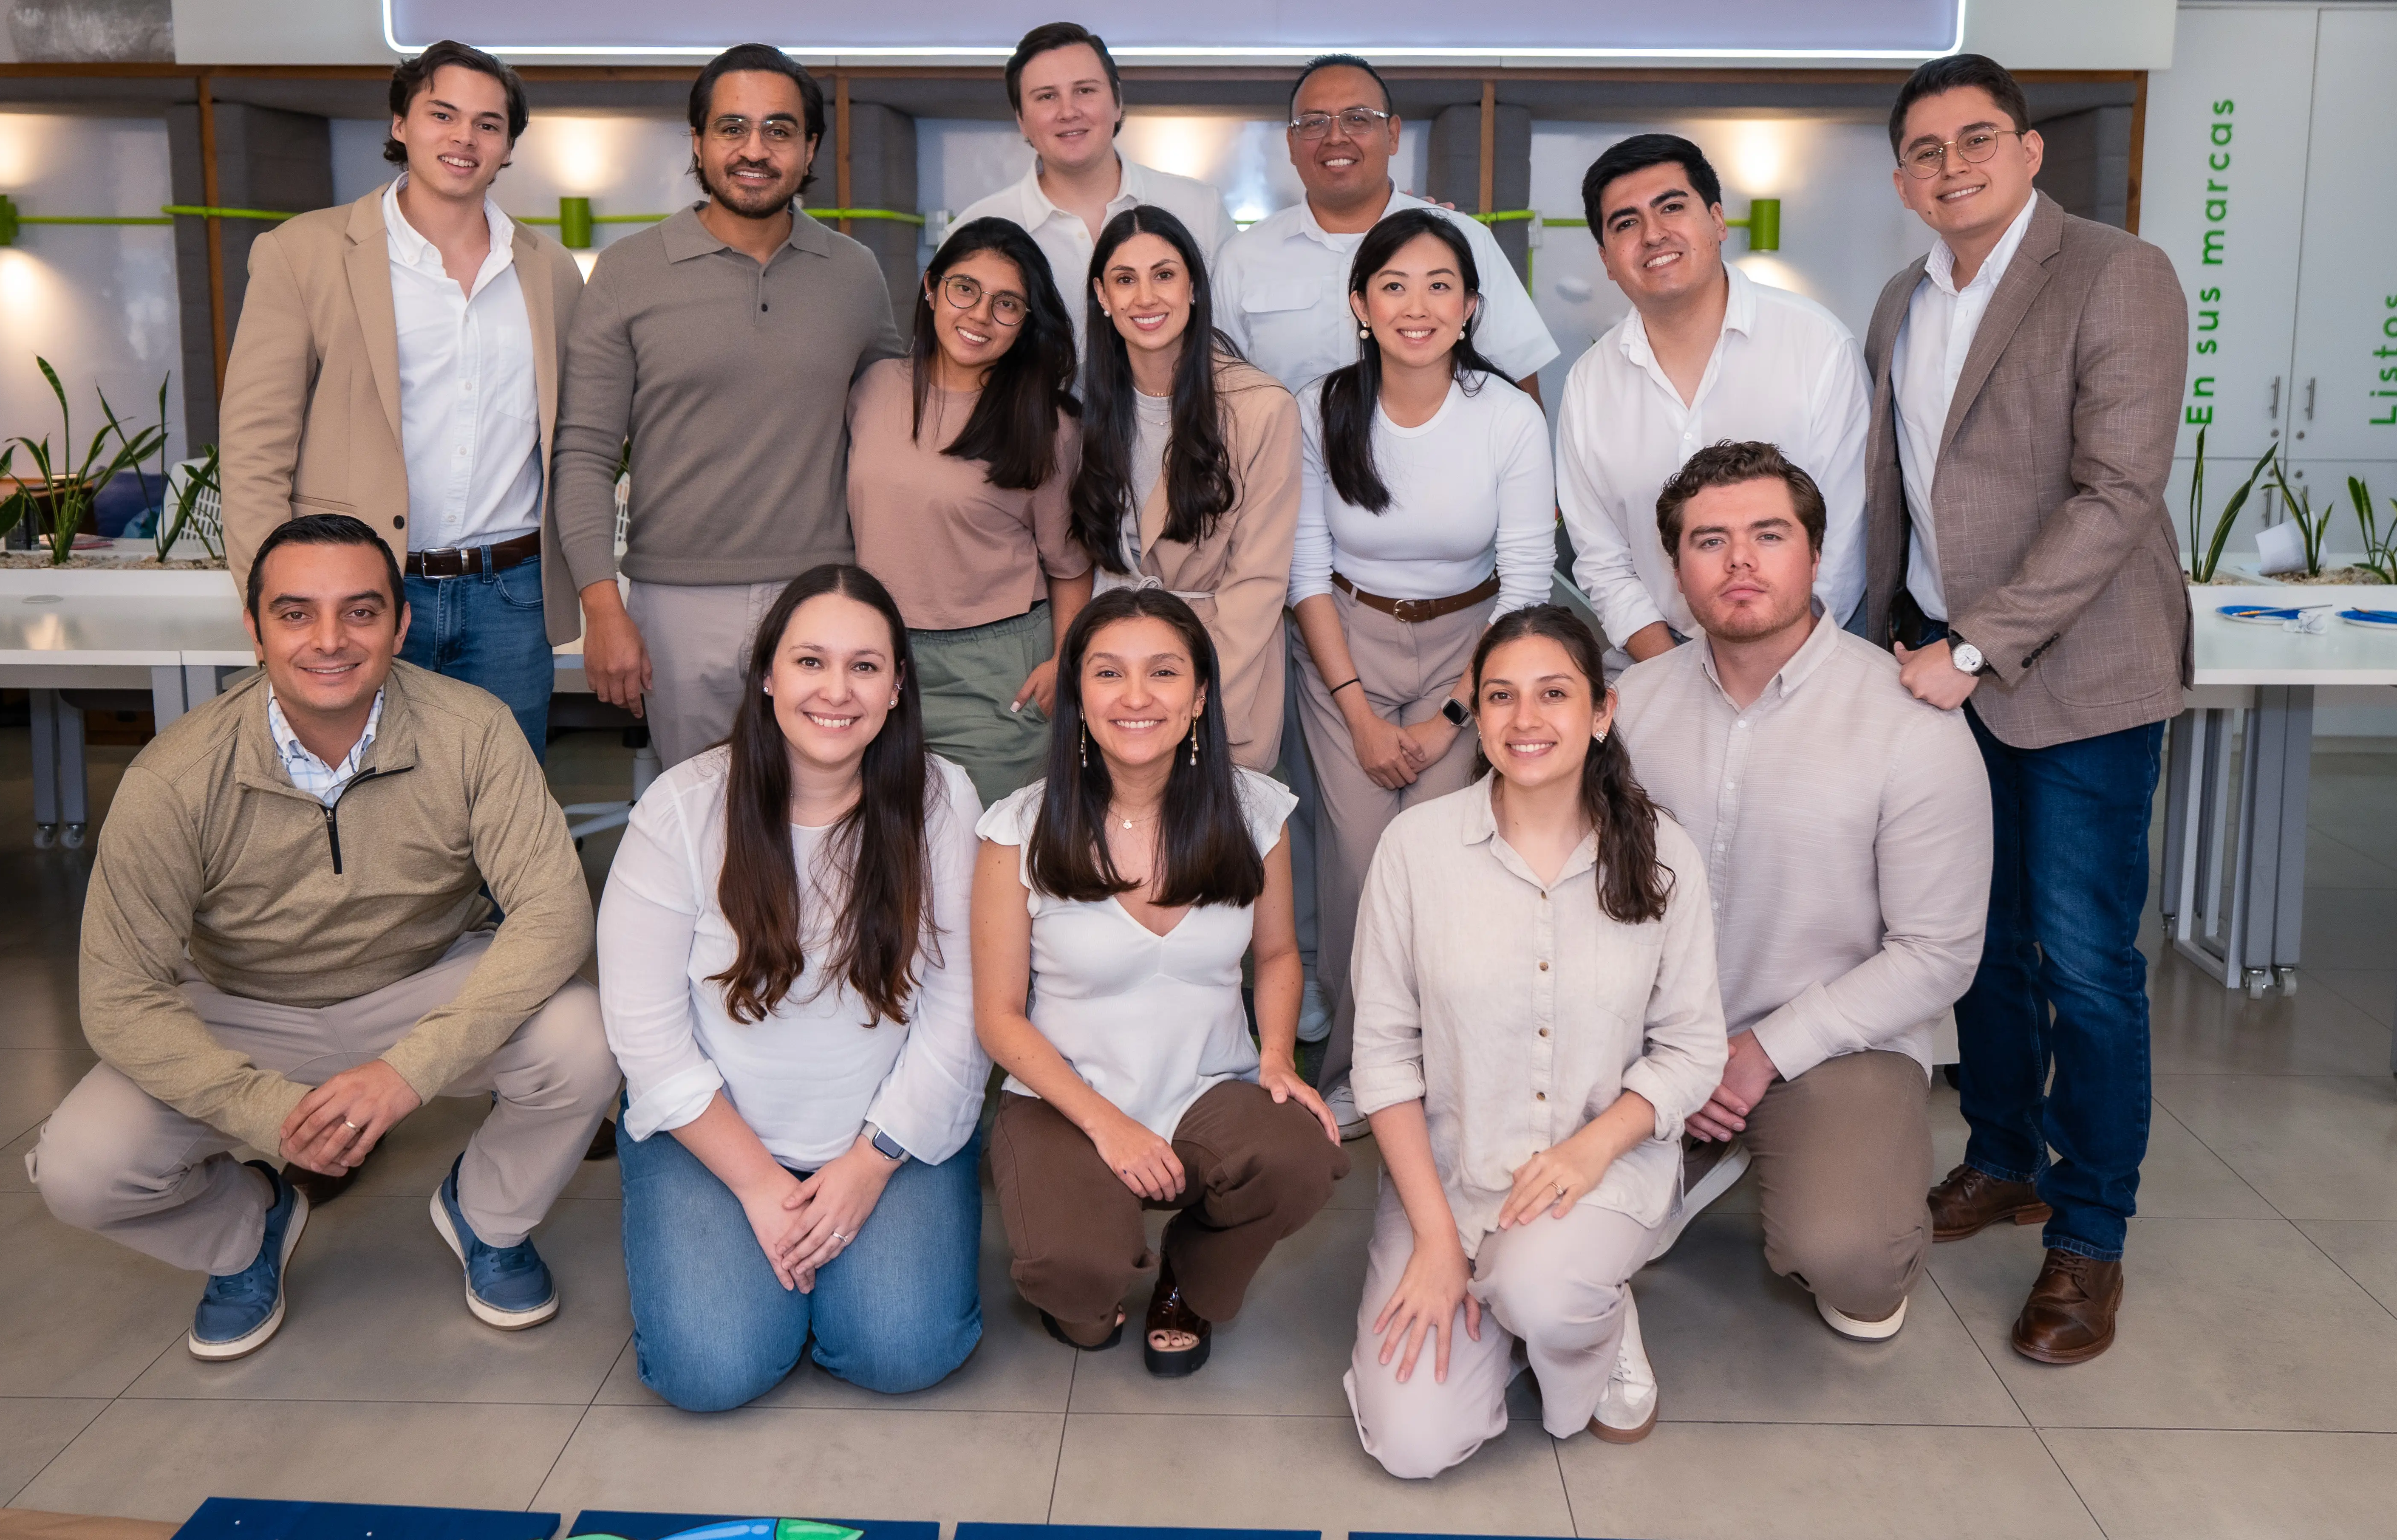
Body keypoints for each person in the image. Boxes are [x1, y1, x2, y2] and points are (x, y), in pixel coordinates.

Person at [31, 513, 614, 1360]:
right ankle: (246, 1230)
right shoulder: (174, 775)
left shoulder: (473, 729)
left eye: (361, 611)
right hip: (241, 1006)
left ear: (401, 622)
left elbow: (554, 912)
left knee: (589, 1037)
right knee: (81, 1170)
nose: (330, 639)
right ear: (255, 627)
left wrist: (406, 1072)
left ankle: (488, 1214)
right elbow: (119, 997)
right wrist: (264, 1110)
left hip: (423, 982)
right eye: (297, 612)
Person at [1860, 51, 2190, 1367]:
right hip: (1938, 680)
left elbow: (2116, 491)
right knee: (1975, 947)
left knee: (2083, 960)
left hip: (2077, 678)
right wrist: (1890, 637)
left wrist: (1976, 642)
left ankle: (2087, 1231)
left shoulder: (2116, 272)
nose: (1950, 165)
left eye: (1973, 138)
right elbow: (1899, 487)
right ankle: (1999, 1155)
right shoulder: (1899, 297)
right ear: (1898, 178)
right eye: (1924, 150)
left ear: (2027, 147)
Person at [1612, 441, 1989, 1341]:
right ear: (1676, 570)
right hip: (1652, 1032)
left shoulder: (1909, 722)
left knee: (1852, 1263)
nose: (1740, 560)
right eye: (1710, 540)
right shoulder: (1627, 707)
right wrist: (1667, 1048)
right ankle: (1697, 1153)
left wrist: (1762, 1049)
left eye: (1768, 534)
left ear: (1815, 556)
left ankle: (1772, 1150)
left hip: (1830, 1043)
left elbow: (1939, 953)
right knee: (1524, 1213)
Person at [597, 563, 991, 1410]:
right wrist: (758, 1185)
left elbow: (962, 1011)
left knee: (902, 1350)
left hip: (885, 1135)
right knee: (712, 1370)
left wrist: (868, 1164)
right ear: (769, 674)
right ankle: (776, 1268)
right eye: (811, 661)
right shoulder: (680, 810)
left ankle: (824, 1271)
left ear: (895, 688)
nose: (836, 690)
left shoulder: (944, 801)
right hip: (718, 1135)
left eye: (864, 665)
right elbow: (646, 1033)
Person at [1344, 604, 1724, 1478]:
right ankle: (1521, 1294)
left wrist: (1594, 1147)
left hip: (1597, 1171)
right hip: (1451, 1176)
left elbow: (1691, 1047)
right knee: (1412, 1444)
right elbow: (1384, 1059)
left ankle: (1582, 1309)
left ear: (1601, 711)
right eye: (1501, 696)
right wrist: (1437, 1240)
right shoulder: (1415, 849)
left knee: (1541, 1289)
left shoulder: (1666, 854)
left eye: (1553, 693)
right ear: (1475, 715)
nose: (1525, 719)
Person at [973, 588, 1345, 1374]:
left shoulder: (1256, 810)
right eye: (1109, 672)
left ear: (1200, 694)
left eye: (1164, 672)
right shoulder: (1019, 826)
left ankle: (1191, 1273)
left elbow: (1278, 955)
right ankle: (1096, 1263)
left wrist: (1276, 1057)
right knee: (1078, 1282)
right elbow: (1000, 1018)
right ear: (1078, 693)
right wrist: (1109, 1126)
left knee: (1299, 1156)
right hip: (1066, 1099)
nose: (1137, 697)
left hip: (1207, 1086)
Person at [220, 39, 586, 757]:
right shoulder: (305, 252)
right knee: (359, 810)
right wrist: (278, 606)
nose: (464, 137)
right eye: (442, 114)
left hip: (511, 597)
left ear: (509, 144)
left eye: (488, 123)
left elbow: (570, 439)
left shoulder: (549, 271)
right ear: (400, 124)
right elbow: (254, 446)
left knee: (503, 822)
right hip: (358, 597)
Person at [554, 42, 906, 769]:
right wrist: (602, 608)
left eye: (779, 131)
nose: (755, 149)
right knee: (699, 817)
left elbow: (894, 430)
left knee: (828, 809)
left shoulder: (855, 272)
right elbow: (584, 455)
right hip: (677, 604)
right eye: (732, 128)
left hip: (824, 593)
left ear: (810, 148)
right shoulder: (627, 272)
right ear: (698, 142)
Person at [1288, 206, 1554, 1137]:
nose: (1417, 304)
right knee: (1359, 870)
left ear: (1471, 305)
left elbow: (1525, 585)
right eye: (1393, 284)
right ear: (1360, 303)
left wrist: (1455, 714)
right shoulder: (1321, 406)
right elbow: (1304, 570)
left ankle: (1450, 1069)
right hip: (1343, 647)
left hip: (1472, 647)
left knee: (1444, 865)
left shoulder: (1508, 416)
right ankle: (1360, 1068)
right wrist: (1357, 709)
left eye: (1440, 284)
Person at [1555, 133, 1871, 660]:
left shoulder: (1816, 344)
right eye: (1626, 223)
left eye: (1671, 207)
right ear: (1607, 259)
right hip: (1659, 655)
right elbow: (1600, 556)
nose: (1653, 234)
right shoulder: (1589, 383)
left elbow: (1845, 534)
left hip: (1809, 650)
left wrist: (1780, 664)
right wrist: (1672, 671)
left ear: (1718, 221)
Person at [847, 218, 1093, 804]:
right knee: (886, 852)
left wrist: (1063, 660)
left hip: (995, 669)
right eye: (965, 289)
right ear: (931, 287)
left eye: (1007, 304)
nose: (980, 316)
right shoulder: (874, 387)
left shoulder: (1048, 423)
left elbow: (1069, 564)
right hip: (876, 656)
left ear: (1028, 322)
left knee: (990, 855)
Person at [1067, 206, 1302, 771]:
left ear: (1194, 286)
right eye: (1125, 280)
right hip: (1116, 682)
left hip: (1222, 671)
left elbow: (1259, 584)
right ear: (1102, 295)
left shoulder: (1261, 407)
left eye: (1164, 275)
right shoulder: (1084, 405)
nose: (1145, 297)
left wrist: (1187, 700)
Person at [1211, 53, 1560, 400]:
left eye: (1358, 119)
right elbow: (1220, 397)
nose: (1336, 137)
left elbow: (1519, 387)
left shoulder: (1465, 241)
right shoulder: (1243, 258)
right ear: (1291, 143)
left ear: (1392, 134)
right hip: (1286, 458)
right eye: (1315, 122)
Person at [950, 22, 1233, 345]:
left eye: (1085, 90)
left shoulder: (1198, 208)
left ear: (1117, 102)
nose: (1068, 111)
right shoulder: (974, 229)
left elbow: (1230, 340)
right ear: (1021, 119)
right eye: (1046, 96)